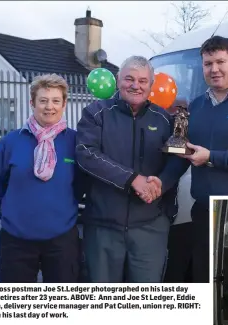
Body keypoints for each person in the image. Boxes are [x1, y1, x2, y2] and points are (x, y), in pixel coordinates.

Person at [151, 36, 228, 283]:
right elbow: (181, 154)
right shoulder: (194, 107)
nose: (214, 69)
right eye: (208, 64)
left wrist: (211, 158)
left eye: (221, 62)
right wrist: (159, 184)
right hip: (205, 211)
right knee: (203, 279)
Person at [75, 56, 177, 283]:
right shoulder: (95, 113)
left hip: (150, 228)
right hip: (103, 228)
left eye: (142, 81)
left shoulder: (164, 119)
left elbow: (178, 159)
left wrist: (162, 182)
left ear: (151, 85)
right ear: (118, 80)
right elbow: (86, 153)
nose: (135, 85)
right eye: (129, 79)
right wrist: (132, 179)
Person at [0, 74, 83, 283]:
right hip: (16, 240)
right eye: (43, 100)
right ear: (32, 103)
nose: (49, 107)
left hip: (62, 240)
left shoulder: (75, 142)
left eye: (56, 101)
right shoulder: (11, 142)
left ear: (64, 104)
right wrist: (11, 216)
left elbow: (82, 184)